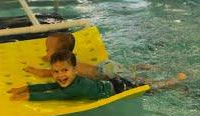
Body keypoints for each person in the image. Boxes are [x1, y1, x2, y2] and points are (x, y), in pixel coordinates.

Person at [8, 49, 186, 101]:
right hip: (113, 81)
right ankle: (146, 67)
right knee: (135, 76)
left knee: (151, 87)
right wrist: (23, 87)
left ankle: (175, 81)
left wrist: (26, 96)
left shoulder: (76, 87)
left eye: (64, 70)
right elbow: (50, 86)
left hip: (120, 89)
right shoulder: (70, 81)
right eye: (56, 72)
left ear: (75, 70)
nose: (60, 75)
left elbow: (54, 94)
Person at [24, 32, 158, 81]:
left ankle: (173, 82)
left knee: (140, 84)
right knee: (127, 70)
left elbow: (47, 73)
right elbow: (52, 59)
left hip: (106, 73)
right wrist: (48, 56)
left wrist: (35, 70)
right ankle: (144, 67)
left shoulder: (65, 66)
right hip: (105, 65)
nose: (46, 53)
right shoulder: (68, 58)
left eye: (48, 50)